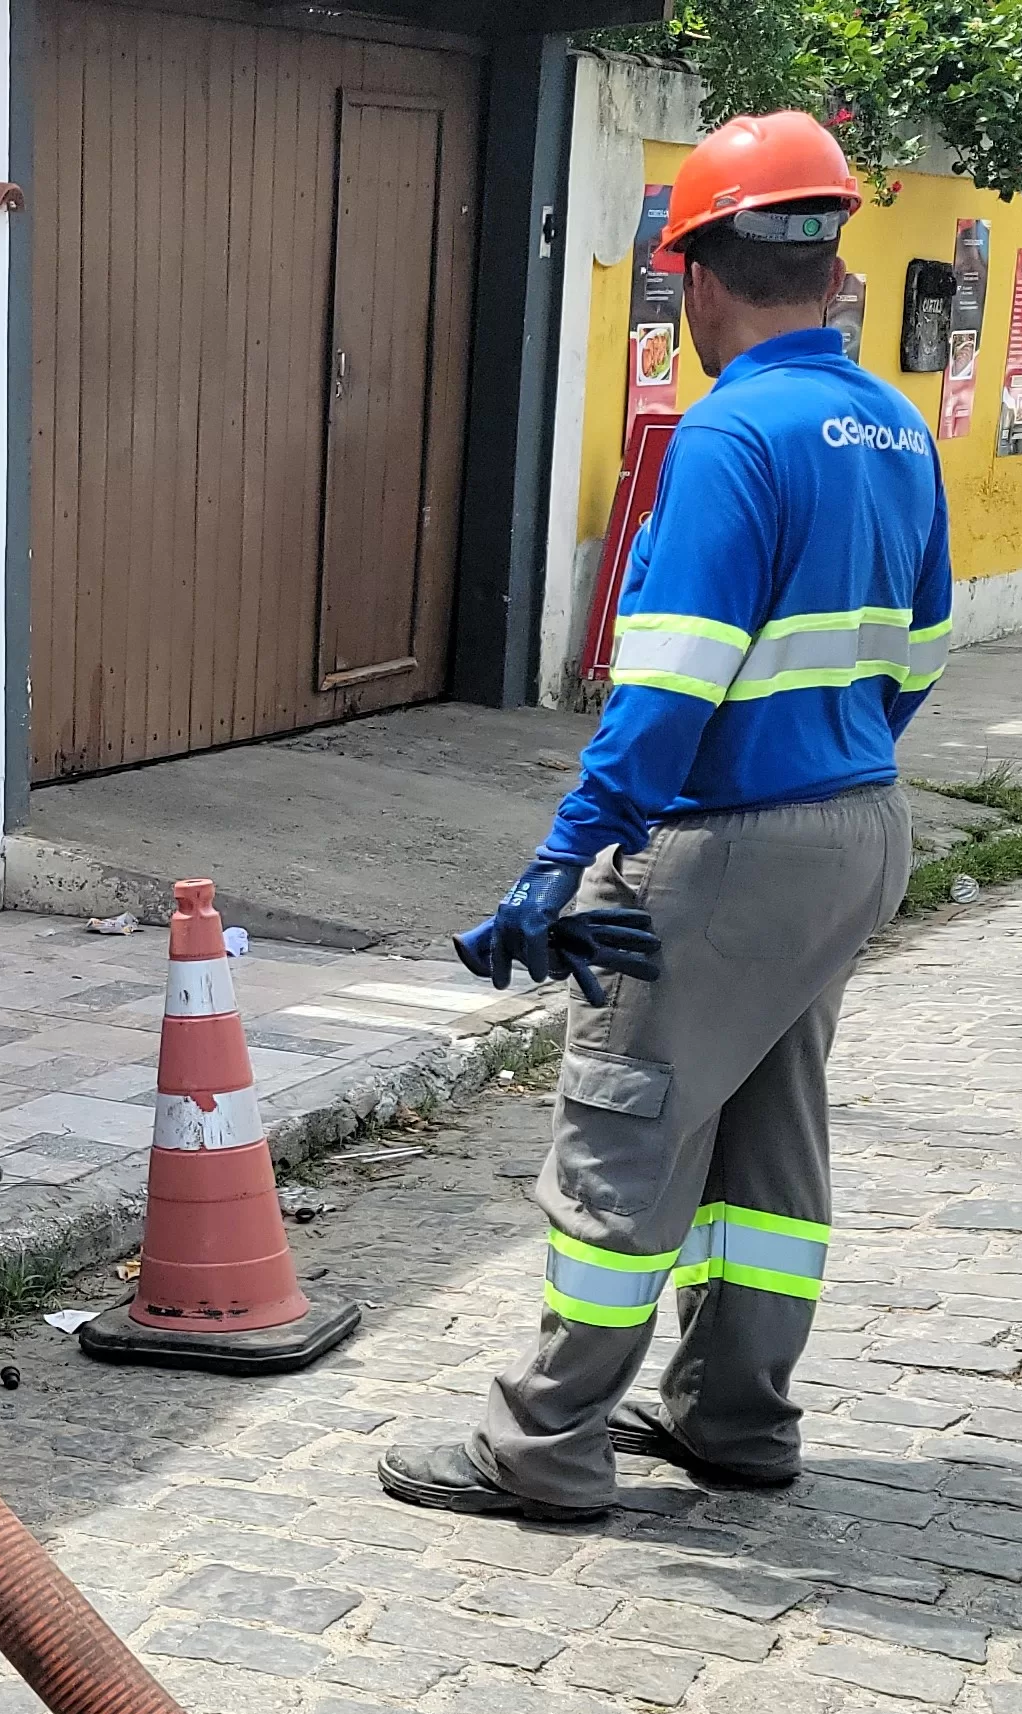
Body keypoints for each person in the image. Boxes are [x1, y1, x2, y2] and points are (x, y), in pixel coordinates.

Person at [378, 112, 943, 1523]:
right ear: (826, 261)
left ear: (695, 271)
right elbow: (922, 654)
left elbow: (668, 685)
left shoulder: (729, 435)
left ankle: (545, 1446)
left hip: (734, 844)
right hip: (861, 826)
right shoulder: (895, 429)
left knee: (627, 1125)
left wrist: (569, 852)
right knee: (768, 1131)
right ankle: (732, 1416)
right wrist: (837, 760)